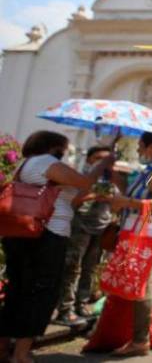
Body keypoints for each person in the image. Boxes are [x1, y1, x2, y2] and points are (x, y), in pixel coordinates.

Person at [0, 131, 111, 363]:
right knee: (41, 292)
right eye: (64, 148)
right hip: (46, 234)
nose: (66, 152)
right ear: (53, 147)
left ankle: (4, 347)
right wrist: (102, 165)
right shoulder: (47, 163)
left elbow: (72, 196)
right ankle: (21, 353)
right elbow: (86, 182)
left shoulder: (25, 165)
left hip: (21, 233)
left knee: (18, 290)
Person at [100, 132, 152, 356]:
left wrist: (126, 202)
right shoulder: (150, 171)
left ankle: (140, 341)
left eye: (141, 146)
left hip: (147, 231)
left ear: (151, 147)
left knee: (144, 283)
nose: (138, 150)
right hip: (145, 230)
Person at [54, 145, 116, 326]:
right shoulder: (81, 177)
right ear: (89, 159)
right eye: (99, 158)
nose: (103, 162)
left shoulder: (111, 179)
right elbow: (73, 201)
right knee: (72, 267)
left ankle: (82, 304)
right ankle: (65, 308)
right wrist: (92, 196)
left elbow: (118, 202)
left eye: (106, 159)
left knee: (90, 268)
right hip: (80, 225)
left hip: (101, 227)